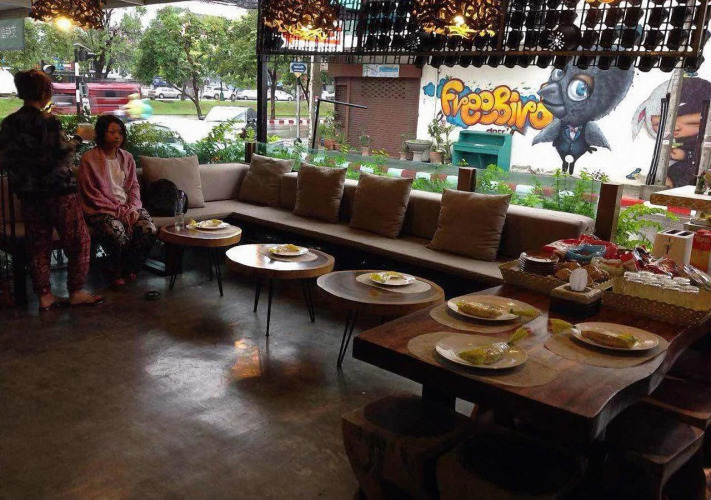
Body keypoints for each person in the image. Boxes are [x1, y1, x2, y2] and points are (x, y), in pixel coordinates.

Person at [0, 69, 103, 311]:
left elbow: (5, 159)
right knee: (78, 240)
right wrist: (79, 138)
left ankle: (44, 296)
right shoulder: (48, 122)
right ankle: (76, 291)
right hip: (58, 192)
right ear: (44, 92)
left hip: (29, 193)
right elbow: (61, 155)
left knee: (38, 244)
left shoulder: (9, 123)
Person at [78, 115, 156, 285]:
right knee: (116, 231)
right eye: (112, 132)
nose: (117, 136)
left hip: (128, 207)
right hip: (100, 209)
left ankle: (130, 268)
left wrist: (132, 208)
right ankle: (114, 270)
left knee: (148, 229)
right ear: (101, 133)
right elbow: (91, 193)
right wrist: (118, 211)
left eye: (120, 133)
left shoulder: (127, 157)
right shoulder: (89, 159)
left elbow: (134, 186)